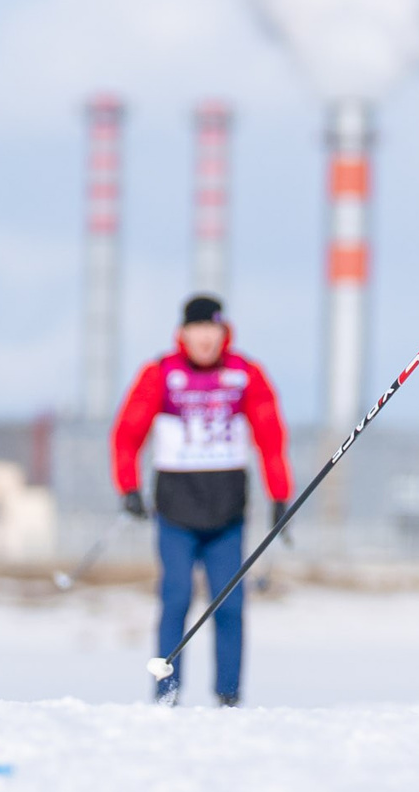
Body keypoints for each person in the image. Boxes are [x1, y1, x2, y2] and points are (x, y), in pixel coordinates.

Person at [112, 294, 293, 705]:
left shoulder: (244, 374)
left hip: (226, 513)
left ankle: (228, 696)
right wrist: (128, 487)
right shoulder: (161, 374)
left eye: (213, 329)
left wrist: (280, 495)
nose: (206, 339)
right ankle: (166, 693)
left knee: (229, 604)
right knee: (175, 597)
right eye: (198, 329)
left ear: (224, 332)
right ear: (184, 333)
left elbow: (270, 438)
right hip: (176, 511)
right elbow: (127, 433)